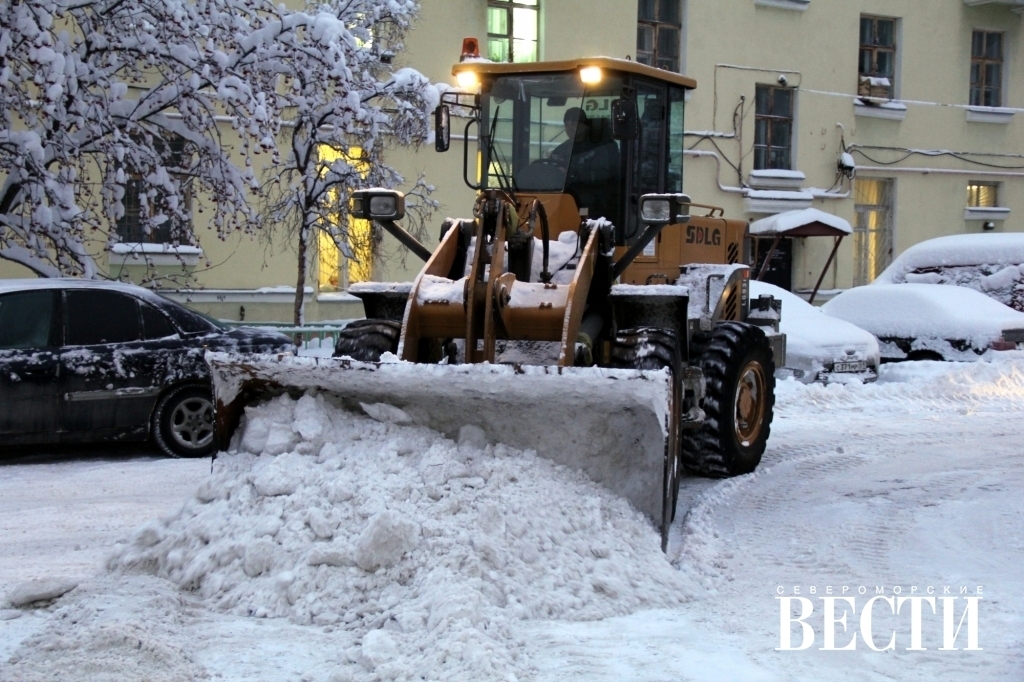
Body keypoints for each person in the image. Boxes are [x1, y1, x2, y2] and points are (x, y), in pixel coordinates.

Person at [550, 107, 620, 222]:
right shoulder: (560, 150)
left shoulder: (599, 148)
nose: (569, 128)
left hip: (593, 196)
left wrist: (571, 173)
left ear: (585, 126)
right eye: (567, 125)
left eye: (574, 124)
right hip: (563, 195)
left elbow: (602, 176)